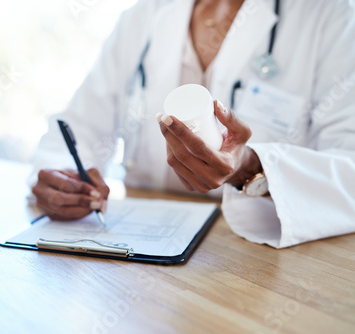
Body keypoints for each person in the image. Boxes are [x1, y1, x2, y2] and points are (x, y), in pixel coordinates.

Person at [30, 0, 355, 248]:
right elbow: (79, 125)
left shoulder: (331, 14)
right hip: (140, 244)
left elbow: (349, 167)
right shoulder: (146, 12)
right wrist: (66, 177)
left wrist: (251, 169)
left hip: (255, 254)